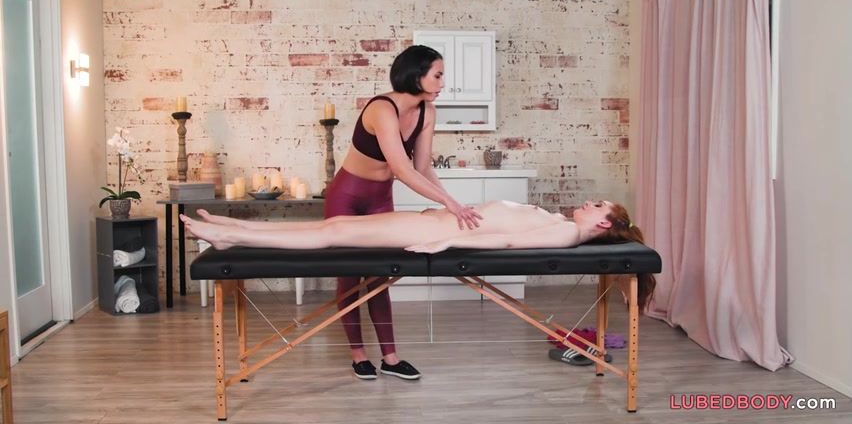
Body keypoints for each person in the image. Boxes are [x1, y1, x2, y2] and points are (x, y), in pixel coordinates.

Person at [181, 199, 656, 315]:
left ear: (603, 224)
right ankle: (233, 232)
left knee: (333, 233)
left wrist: (447, 244)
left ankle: (230, 234)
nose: (590, 202)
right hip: (429, 220)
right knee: (334, 226)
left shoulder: (567, 233)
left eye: (599, 205)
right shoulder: (561, 221)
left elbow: (506, 244)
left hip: (430, 231)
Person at [318, 45, 482, 380]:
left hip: (380, 198)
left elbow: (422, 167)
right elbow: (403, 170)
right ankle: (358, 355)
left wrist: (450, 203)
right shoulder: (382, 108)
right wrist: (451, 204)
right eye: (437, 75)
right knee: (349, 277)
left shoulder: (427, 112)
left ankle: (390, 358)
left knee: (380, 277)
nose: (442, 83)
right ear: (416, 74)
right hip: (347, 196)